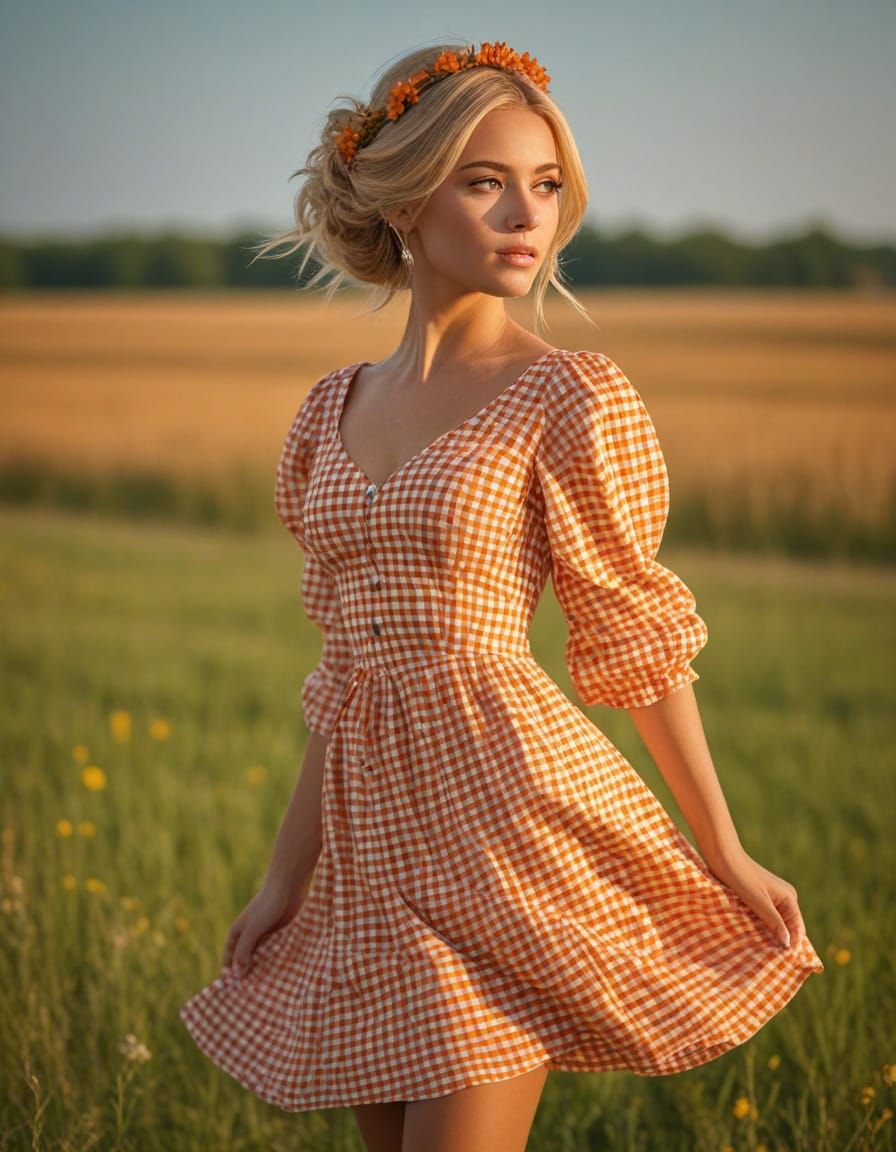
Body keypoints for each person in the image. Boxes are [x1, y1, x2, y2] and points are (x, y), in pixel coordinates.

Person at [179, 39, 824, 1152]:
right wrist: (286, 879)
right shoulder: (329, 409)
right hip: (370, 853)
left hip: (506, 833)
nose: (525, 216)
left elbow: (633, 640)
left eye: (543, 185)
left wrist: (720, 849)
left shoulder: (566, 394)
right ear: (406, 198)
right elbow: (347, 675)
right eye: (486, 184)